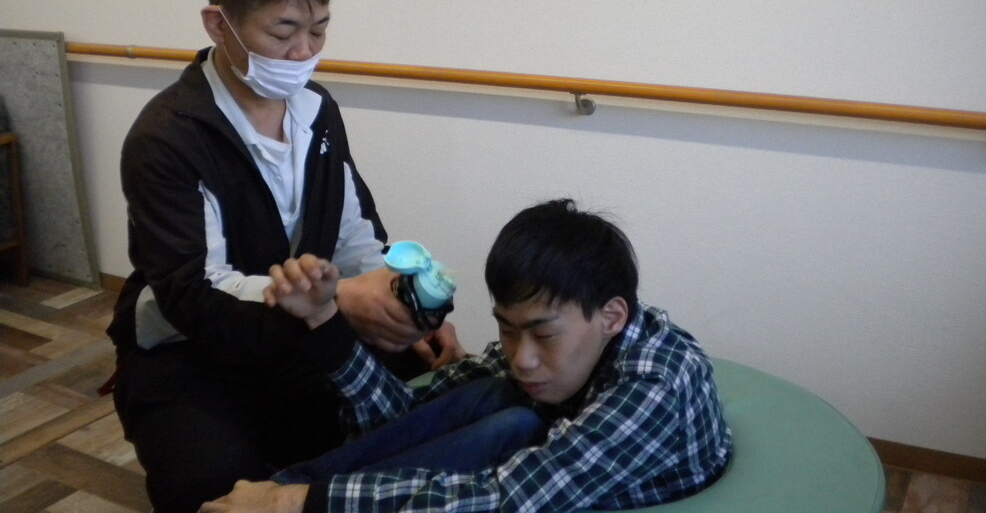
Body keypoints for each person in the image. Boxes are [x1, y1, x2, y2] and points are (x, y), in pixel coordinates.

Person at [105, 0, 464, 513]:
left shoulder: (317, 110)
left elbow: (353, 230)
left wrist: (400, 302)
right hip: (191, 350)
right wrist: (338, 300)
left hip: (301, 328)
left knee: (413, 403)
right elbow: (192, 293)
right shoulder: (168, 137)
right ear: (218, 24)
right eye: (282, 33)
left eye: (318, 30)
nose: (303, 52)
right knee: (210, 484)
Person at [201, 199, 733, 513]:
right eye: (507, 330)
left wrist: (303, 504)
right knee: (501, 404)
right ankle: (286, 485)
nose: (522, 358)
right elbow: (400, 420)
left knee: (516, 425)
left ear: (612, 316)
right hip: (534, 464)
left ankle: (288, 492)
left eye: (543, 335)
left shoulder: (654, 386)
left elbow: (507, 499)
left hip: (572, 490)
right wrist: (323, 320)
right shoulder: (533, 355)